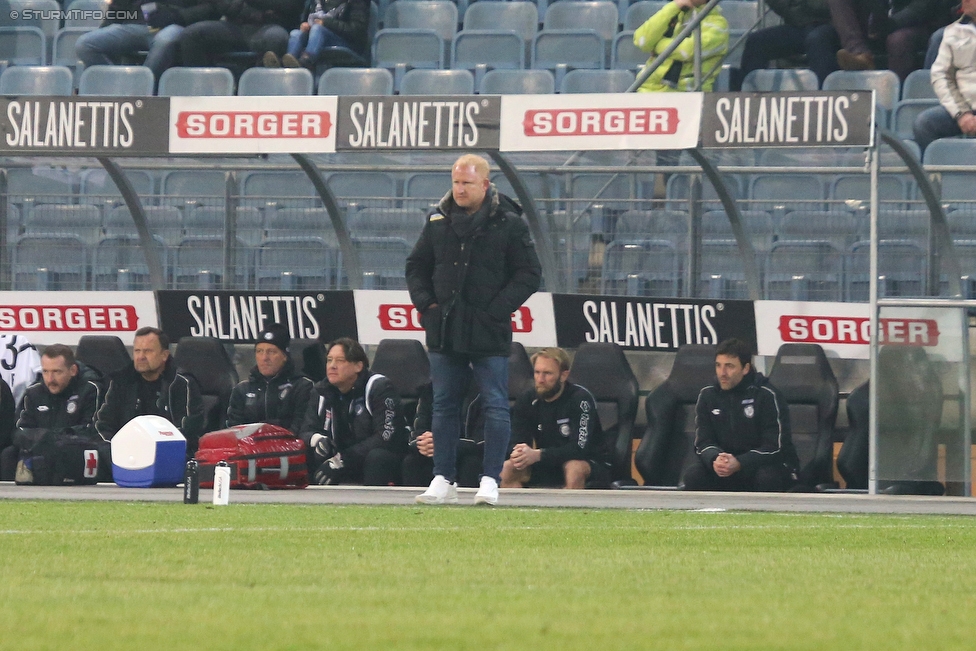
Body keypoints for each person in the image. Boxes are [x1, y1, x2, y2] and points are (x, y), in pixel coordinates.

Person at [406, 153, 542, 506]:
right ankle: (443, 477)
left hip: (488, 330)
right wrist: (428, 307)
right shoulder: (437, 220)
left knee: (496, 404)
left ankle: (489, 480)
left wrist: (496, 310)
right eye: (455, 182)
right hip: (444, 329)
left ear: (485, 184)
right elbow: (415, 265)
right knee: (444, 404)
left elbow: (529, 273)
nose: (459, 189)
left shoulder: (509, 222)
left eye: (466, 182)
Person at [682, 338, 799, 492]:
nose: (722, 373)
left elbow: (774, 447)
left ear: (745, 368)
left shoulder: (767, 395)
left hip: (760, 466)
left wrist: (740, 462)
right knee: (693, 475)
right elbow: (703, 442)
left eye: (729, 366)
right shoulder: (707, 395)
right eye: (718, 366)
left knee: (766, 477)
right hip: (726, 467)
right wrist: (715, 459)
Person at [298, 337, 408, 486]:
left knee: (378, 457)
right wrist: (318, 440)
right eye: (329, 360)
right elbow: (305, 430)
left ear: (358, 366)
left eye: (340, 361)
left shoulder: (379, 387)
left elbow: (385, 436)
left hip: (375, 457)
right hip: (339, 458)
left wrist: (343, 459)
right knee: (308, 453)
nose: (332, 366)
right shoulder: (321, 390)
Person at [501, 348, 612, 490]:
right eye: (537, 372)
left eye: (547, 373)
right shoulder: (527, 399)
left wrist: (539, 455)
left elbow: (579, 449)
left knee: (574, 468)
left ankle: (572, 512)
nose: (540, 380)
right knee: (509, 467)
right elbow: (516, 440)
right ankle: (515, 512)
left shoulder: (580, 399)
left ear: (563, 375)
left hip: (589, 462)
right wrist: (519, 453)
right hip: (546, 460)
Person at [0, 345, 102, 482]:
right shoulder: (33, 393)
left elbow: (90, 429)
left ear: (72, 370)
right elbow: (19, 430)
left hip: (73, 450)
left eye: (57, 372)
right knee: (9, 454)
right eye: (45, 372)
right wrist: (41, 440)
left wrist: (51, 439)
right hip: (38, 449)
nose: (50, 379)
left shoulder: (90, 390)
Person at [95, 327, 205, 454]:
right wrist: (116, 450)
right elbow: (103, 425)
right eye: (137, 351)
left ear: (164, 355)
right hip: (124, 454)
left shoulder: (181, 384)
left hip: (168, 455)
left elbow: (189, 431)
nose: (140, 357)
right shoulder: (120, 381)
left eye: (147, 351)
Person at [75, 0, 220, 82]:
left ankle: (142, 88)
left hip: (179, 26)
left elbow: (213, 7)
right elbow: (118, 6)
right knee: (85, 44)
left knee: (165, 39)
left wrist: (179, 16)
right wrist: (106, 27)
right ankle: (119, 85)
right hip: (139, 25)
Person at [226, 323, 314, 434]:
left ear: (284, 356)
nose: (264, 358)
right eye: (259, 351)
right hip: (248, 449)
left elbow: (300, 430)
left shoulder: (302, 387)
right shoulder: (242, 390)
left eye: (271, 352)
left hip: (287, 450)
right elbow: (234, 432)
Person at [913, 0, 976, 152]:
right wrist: (962, 114)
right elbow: (941, 76)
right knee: (924, 124)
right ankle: (936, 176)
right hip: (966, 107)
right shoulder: (953, 32)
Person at [826, 0, 943, 80]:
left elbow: (925, 5)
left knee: (898, 40)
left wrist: (892, 23)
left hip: (916, 25)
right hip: (877, 23)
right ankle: (860, 55)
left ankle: (895, 97)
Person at [734, 0, 838, 89]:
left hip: (837, 25)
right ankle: (745, 100)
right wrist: (798, 7)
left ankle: (826, 98)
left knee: (817, 40)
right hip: (799, 23)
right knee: (755, 41)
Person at [401, 381, 484, 491]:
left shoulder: (482, 390)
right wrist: (423, 443)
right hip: (433, 452)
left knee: (472, 462)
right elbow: (416, 436)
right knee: (411, 461)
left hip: (466, 453)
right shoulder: (430, 390)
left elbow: (482, 442)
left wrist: (443, 444)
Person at [633, 0, 729, 92]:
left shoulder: (719, 24)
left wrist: (657, 46)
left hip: (688, 95)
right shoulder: (673, 12)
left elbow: (687, 51)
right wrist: (673, 7)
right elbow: (642, 41)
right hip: (646, 90)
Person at [179, 0, 303, 67]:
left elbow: (290, 6)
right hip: (235, 26)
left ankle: (258, 94)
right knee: (191, 35)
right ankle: (199, 94)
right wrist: (255, 12)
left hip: (270, 26)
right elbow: (222, 4)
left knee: (277, 38)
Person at [264, 0, 369, 69]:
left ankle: (306, 62)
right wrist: (305, 25)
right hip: (316, 38)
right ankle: (287, 64)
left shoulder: (356, 2)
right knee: (296, 33)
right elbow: (308, 19)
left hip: (347, 42)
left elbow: (356, 30)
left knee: (318, 29)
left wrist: (326, 23)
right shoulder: (316, 2)